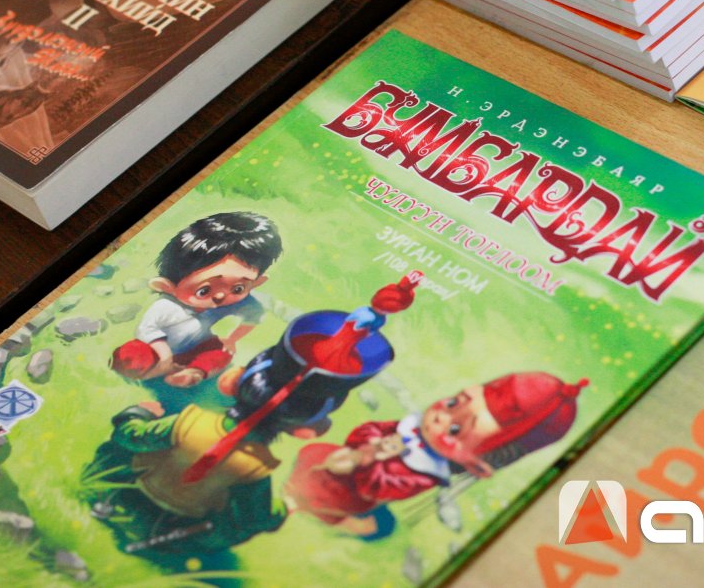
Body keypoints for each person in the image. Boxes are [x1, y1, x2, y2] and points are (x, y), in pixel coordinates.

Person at [283, 371, 588, 538]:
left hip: (345, 490)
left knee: (326, 501)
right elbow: (371, 429)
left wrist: (368, 460)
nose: (441, 417)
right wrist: (370, 440)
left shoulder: (423, 473)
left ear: (476, 463)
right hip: (339, 459)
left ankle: (333, 517)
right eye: (454, 403)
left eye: (455, 430)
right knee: (312, 456)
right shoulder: (411, 428)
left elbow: (379, 487)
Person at [110, 212, 280, 387]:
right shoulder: (166, 307)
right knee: (132, 354)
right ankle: (152, 372)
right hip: (155, 349)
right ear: (167, 286)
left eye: (238, 288)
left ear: (257, 283)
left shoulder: (239, 302)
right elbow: (147, 329)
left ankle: (194, 372)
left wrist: (231, 339)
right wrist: (165, 356)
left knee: (222, 352)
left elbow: (254, 315)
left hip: (196, 347)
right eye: (204, 290)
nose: (220, 296)